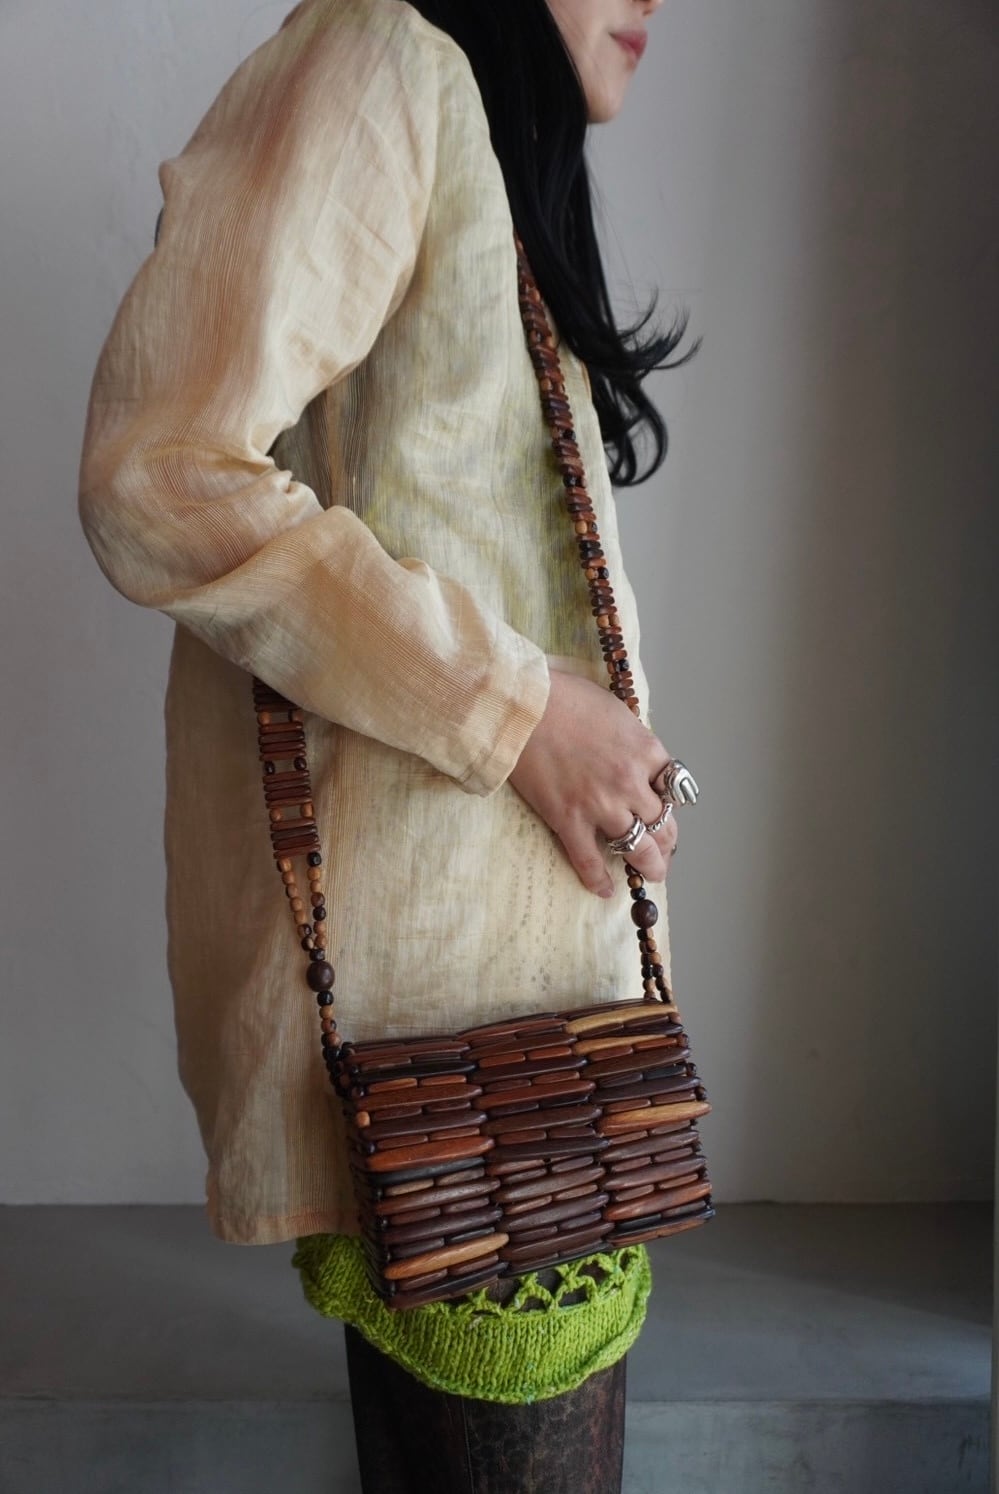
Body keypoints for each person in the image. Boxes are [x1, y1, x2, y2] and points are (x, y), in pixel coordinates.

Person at [78, 0, 699, 1487]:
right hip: (456, 1044)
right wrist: (521, 711)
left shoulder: (460, 113)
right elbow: (159, 470)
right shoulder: (381, 58)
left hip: (518, 1038)